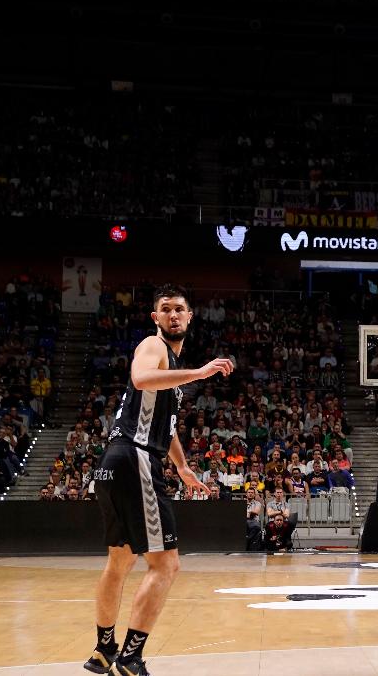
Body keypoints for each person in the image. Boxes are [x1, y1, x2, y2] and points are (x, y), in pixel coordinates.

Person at [85, 284, 234, 676]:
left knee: (119, 559)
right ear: (156, 318)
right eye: (165, 309)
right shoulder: (154, 347)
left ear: (189, 317)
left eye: (178, 309)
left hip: (113, 461)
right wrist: (200, 372)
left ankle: (103, 651)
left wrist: (183, 467)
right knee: (166, 565)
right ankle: (131, 658)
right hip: (134, 458)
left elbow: (163, 428)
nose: (172, 314)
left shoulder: (168, 370)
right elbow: (139, 378)